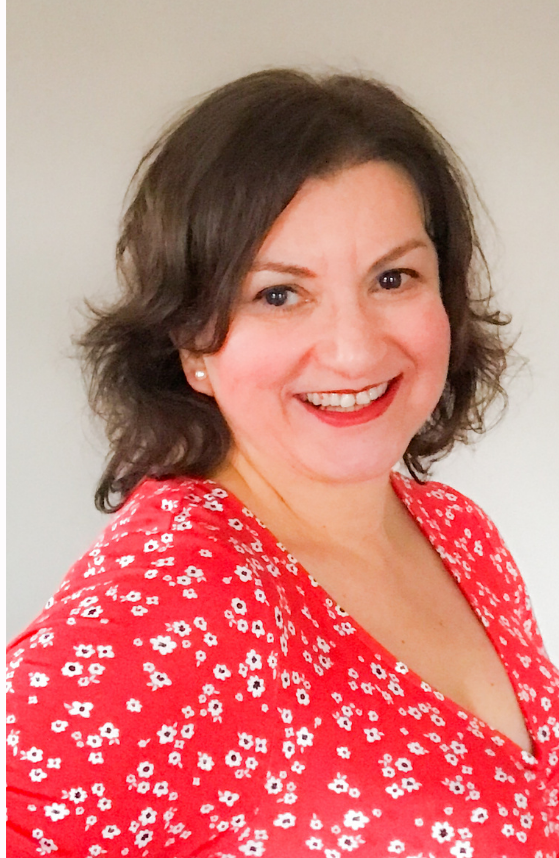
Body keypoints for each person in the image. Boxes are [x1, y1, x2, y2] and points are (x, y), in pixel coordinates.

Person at [6, 69, 559, 858]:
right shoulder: (174, 606)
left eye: (392, 278)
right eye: (278, 294)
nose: (353, 350)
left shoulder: (458, 535)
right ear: (193, 341)